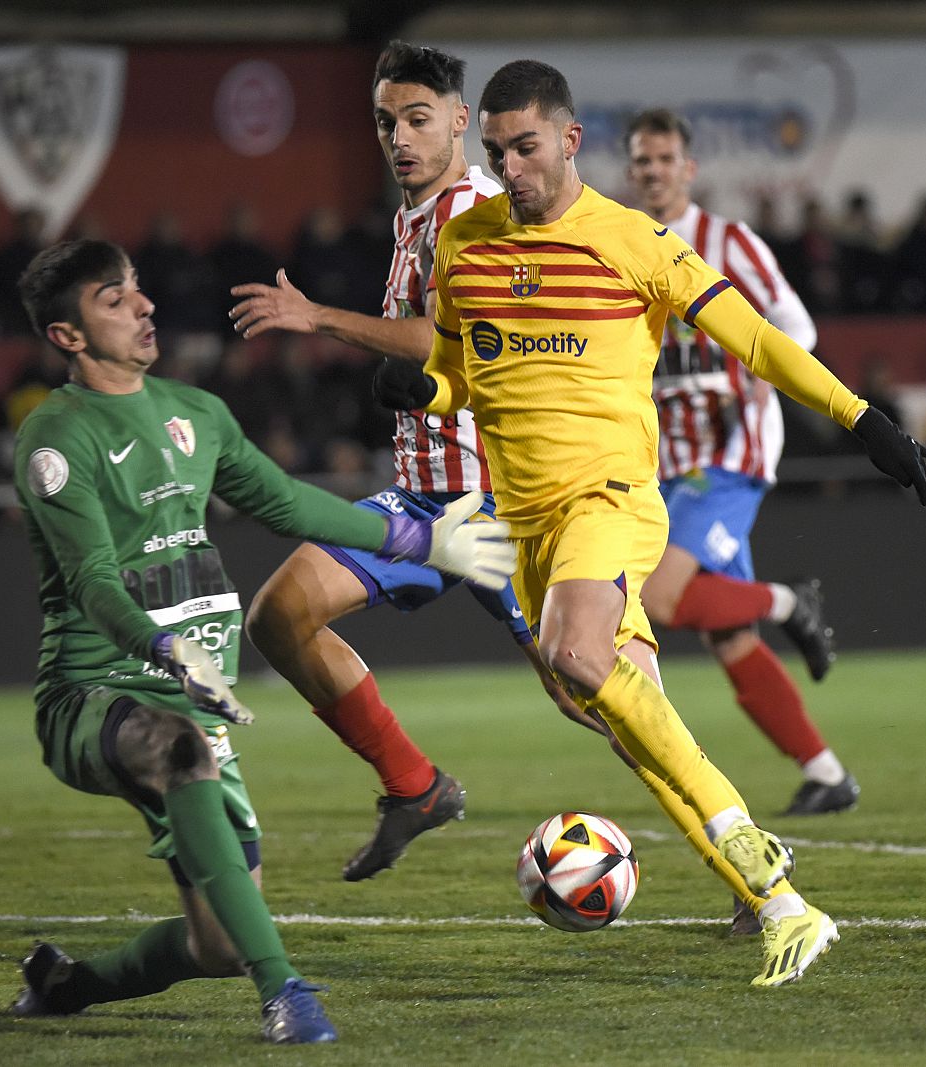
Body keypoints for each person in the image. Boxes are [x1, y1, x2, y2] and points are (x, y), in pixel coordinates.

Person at [375, 60, 926, 988]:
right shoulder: (464, 244)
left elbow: (756, 338)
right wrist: (425, 385)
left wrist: (861, 419)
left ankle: (752, 852)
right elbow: (469, 368)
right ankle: (782, 906)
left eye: (525, 147)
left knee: (576, 655)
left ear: (569, 141)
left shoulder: (636, 242)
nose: (509, 167)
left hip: (615, 500)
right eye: (497, 151)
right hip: (530, 522)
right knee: (618, 711)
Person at [5, 238, 512, 1042]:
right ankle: (287, 994)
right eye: (114, 299)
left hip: (193, 698)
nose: (144, 307)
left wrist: (419, 544)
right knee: (180, 750)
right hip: (97, 692)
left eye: (138, 288)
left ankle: (70, 983)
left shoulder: (195, 414)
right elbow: (95, 581)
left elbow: (287, 504)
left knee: (213, 941)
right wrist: (163, 650)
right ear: (67, 336)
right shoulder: (55, 440)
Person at [229, 41, 596, 883]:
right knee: (280, 614)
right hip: (425, 501)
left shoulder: (477, 213)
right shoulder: (410, 218)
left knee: (585, 691)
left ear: (462, 122)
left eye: (418, 119)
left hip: (498, 502)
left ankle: (740, 854)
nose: (398, 136)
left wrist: (317, 317)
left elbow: (444, 340)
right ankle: (415, 787)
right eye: (386, 120)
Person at [623, 108, 860, 820]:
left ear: (688, 169)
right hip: (667, 462)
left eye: (665, 159)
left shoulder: (728, 242)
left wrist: (763, 369)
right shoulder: (627, 247)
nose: (653, 171)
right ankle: (827, 773)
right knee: (728, 636)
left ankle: (792, 600)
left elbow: (796, 324)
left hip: (730, 452)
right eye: (642, 161)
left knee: (658, 600)